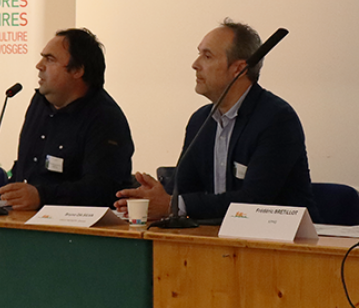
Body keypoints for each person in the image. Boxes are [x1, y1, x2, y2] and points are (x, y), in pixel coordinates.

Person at [115, 19, 318, 222]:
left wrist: (174, 205)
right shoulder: (200, 121)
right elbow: (184, 188)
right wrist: (155, 198)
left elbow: (254, 201)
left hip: (280, 243)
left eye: (207, 56)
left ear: (238, 69)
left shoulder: (276, 119)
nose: (195, 65)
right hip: (218, 240)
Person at [0, 28, 134, 210]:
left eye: (50, 59)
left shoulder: (105, 118)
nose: (39, 65)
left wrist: (41, 197)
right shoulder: (39, 103)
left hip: (80, 229)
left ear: (77, 70)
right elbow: (26, 166)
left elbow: (102, 189)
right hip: (23, 218)